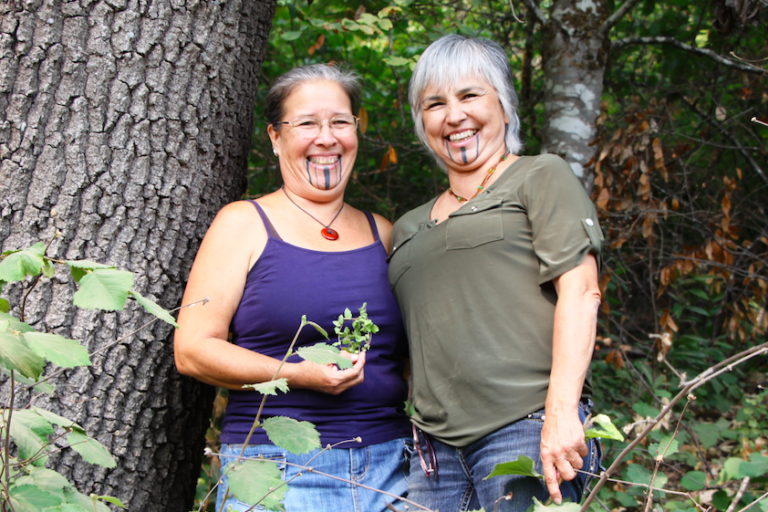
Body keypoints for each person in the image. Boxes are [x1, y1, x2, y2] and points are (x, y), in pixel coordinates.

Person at [174, 64, 411, 512]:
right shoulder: (243, 224)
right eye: (307, 123)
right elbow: (192, 349)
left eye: (340, 122)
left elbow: (407, 358)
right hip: (277, 471)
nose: (327, 137)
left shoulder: (382, 233)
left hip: (392, 470)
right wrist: (299, 375)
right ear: (275, 136)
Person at [388, 34, 604, 512]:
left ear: (504, 105)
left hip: (526, 428)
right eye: (435, 103)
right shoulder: (404, 227)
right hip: (433, 453)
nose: (454, 115)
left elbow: (582, 290)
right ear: (422, 123)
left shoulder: (539, 176)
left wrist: (561, 413)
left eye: (469, 95)